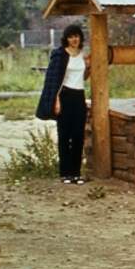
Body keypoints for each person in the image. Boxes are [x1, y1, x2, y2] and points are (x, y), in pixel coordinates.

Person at [36, 23, 91, 184]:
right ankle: (65, 173)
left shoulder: (83, 55)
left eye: (76, 36)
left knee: (78, 136)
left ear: (80, 37)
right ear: (66, 39)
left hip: (79, 96)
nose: (74, 39)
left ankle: (76, 173)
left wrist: (89, 68)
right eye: (71, 36)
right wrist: (56, 101)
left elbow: (83, 77)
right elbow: (53, 81)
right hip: (64, 96)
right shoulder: (59, 55)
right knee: (64, 135)